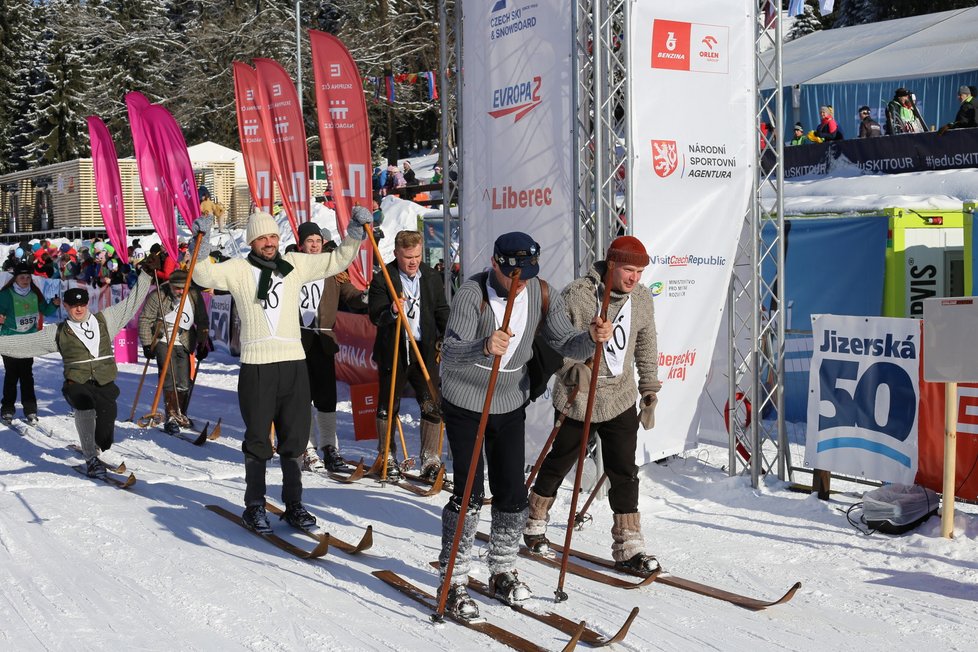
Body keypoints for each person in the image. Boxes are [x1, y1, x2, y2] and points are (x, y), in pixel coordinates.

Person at [436, 231, 612, 620]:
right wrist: (483, 346)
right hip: (466, 400)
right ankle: (454, 578)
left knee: (513, 491)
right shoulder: (472, 293)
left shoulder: (538, 292)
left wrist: (592, 338)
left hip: (508, 399)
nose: (523, 281)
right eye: (516, 272)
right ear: (496, 265)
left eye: (530, 272)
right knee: (468, 489)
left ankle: (501, 569)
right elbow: (449, 351)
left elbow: (567, 343)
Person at [190, 207, 372, 534]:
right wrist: (199, 244)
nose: (270, 242)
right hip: (258, 367)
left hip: (293, 365)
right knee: (258, 440)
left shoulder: (294, 264)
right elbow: (202, 275)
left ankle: (294, 504)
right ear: (252, 241)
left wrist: (355, 230)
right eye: (262, 237)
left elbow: (337, 260)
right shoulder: (238, 269)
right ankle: (255, 506)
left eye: (273, 236)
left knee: (295, 439)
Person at [525, 236, 661, 575]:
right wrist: (570, 369)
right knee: (561, 461)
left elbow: (646, 342)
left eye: (640, 271)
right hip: (580, 395)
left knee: (624, 470)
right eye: (629, 270)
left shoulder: (641, 299)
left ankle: (629, 543)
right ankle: (535, 518)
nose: (635, 278)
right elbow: (552, 340)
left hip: (620, 395)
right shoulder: (579, 295)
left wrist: (648, 386)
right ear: (611, 266)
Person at [0, 257, 159, 476]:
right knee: (84, 406)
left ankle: (96, 446)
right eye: (73, 305)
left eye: (82, 304)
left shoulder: (106, 321)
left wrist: (146, 275)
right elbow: (22, 344)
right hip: (77, 383)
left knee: (106, 432)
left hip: (104, 383)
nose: (78, 309)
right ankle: (90, 458)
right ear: (65, 306)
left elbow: (130, 304)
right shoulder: (57, 332)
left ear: (87, 304)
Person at [368, 229, 450, 481]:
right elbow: (374, 315)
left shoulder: (432, 277)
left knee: (431, 403)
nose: (413, 261)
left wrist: (448, 336)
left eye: (416, 256)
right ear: (396, 254)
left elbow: (441, 310)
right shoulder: (384, 278)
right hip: (394, 350)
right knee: (388, 405)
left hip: (423, 351)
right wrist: (391, 310)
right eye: (407, 257)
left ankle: (430, 459)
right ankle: (387, 455)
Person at [295, 221, 367, 473]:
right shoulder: (291, 265)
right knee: (300, 396)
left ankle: (329, 445)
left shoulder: (332, 267)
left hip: (323, 341)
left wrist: (367, 297)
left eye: (317, 240)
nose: (314, 245)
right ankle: (306, 447)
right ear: (300, 244)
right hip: (296, 341)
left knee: (326, 396)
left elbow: (350, 294)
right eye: (309, 241)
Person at [137, 269, 210, 434]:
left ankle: (180, 413)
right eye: (177, 288)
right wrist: (148, 344)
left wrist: (202, 343)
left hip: (184, 340)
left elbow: (202, 321)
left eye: (183, 288)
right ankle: (171, 416)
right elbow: (145, 319)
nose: (180, 292)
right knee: (169, 375)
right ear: (170, 285)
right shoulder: (158, 295)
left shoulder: (193, 295)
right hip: (163, 339)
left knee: (184, 381)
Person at [0, 262, 61, 424]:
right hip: (10, 339)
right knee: (12, 375)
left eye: (28, 277)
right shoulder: (6, 294)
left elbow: (45, 311)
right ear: (15, 278)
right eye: (22, 277)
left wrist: (53, 306)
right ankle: (7, 408)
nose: (25, 280)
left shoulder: (34, 293)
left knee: (27, 375)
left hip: (29, 339)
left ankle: (30, 408)